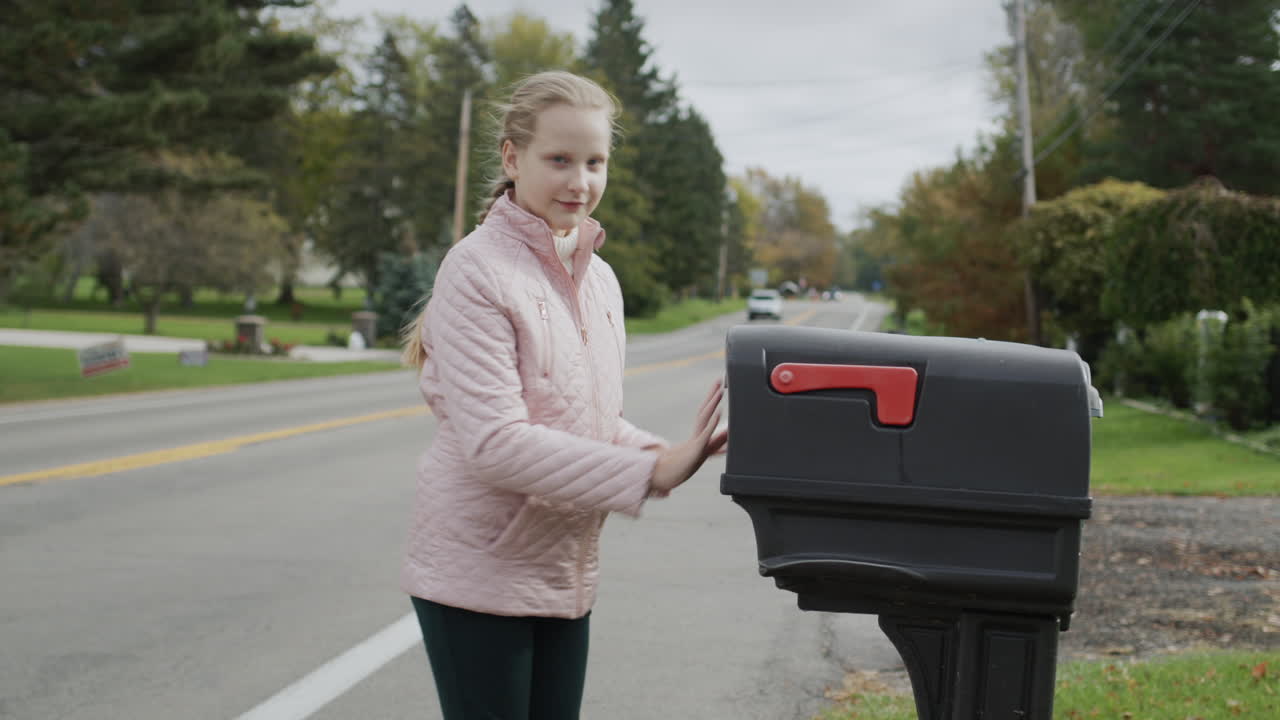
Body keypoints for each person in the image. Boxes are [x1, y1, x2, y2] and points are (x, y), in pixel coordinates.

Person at [399, 70, 728, 720]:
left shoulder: (600, 279)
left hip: (563, 569)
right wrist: (649, 471)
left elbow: (585, 416)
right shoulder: (476, 268)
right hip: (479, 569)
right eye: (559, 160)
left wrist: (674, 451)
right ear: (512, 157)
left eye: (594, 161)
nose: (580, 181)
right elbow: (495, 444)